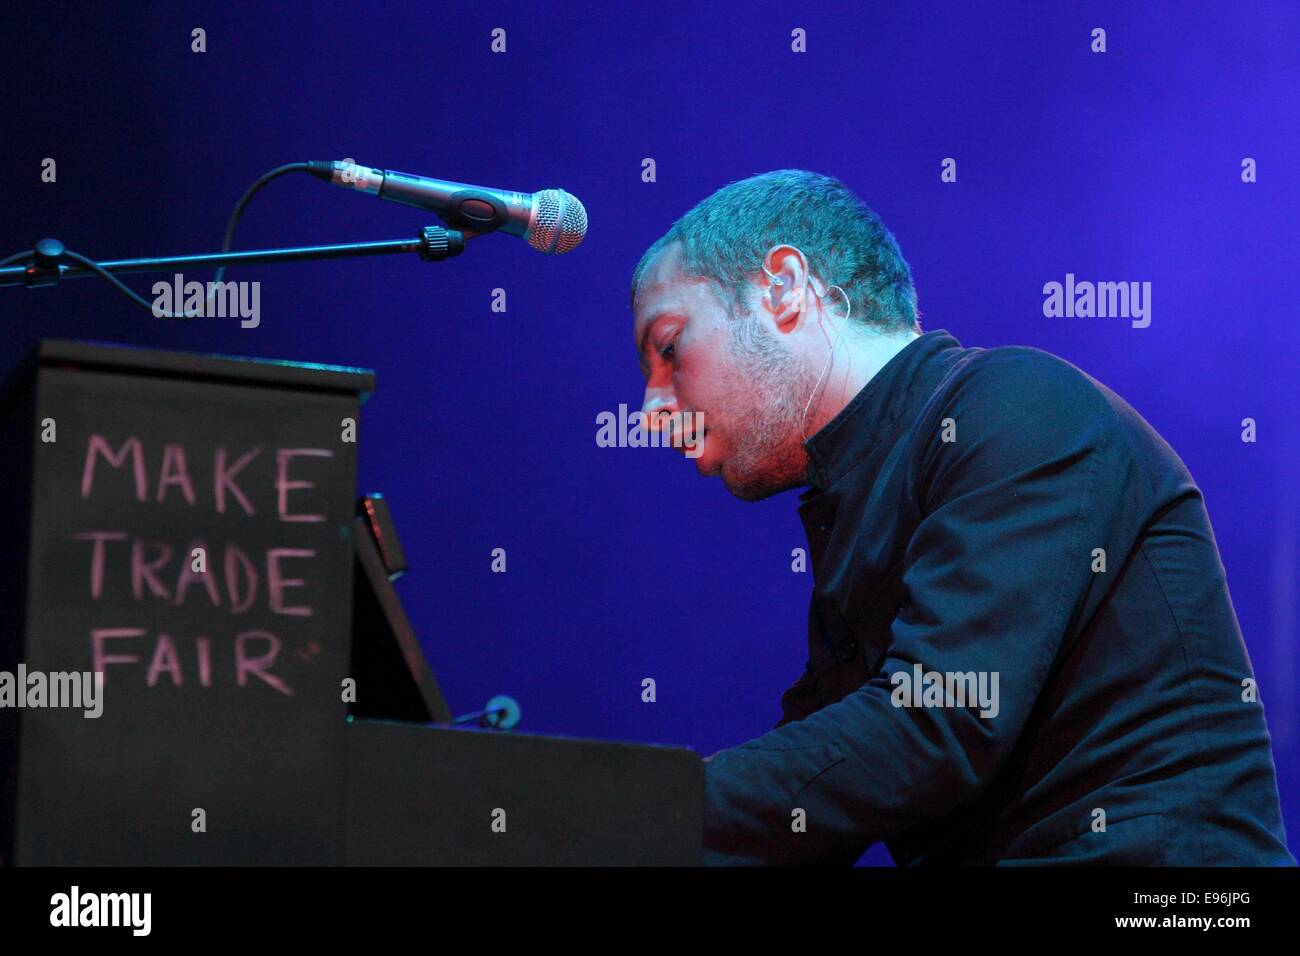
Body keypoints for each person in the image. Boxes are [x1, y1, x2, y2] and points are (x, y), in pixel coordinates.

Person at [629, 169, 1294, 866]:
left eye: (670, 347)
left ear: (784, 287)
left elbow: (934, 724)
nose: (650, 411)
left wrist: (631, 809)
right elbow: (808, 796)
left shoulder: (1016, 403)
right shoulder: (861, 499)